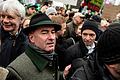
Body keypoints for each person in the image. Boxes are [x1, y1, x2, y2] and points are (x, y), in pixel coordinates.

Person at [5, 12, 63, 80]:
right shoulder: (17, 71)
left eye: (53, 32)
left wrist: (63, 76)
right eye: (44, 33)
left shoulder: (52, 57)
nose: (52, 37)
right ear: (32, 38)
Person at [0, 0, 27, 67]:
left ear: (22, 20)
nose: (5, 21)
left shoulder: (27, 41)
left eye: (10, 17)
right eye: (3, 16)